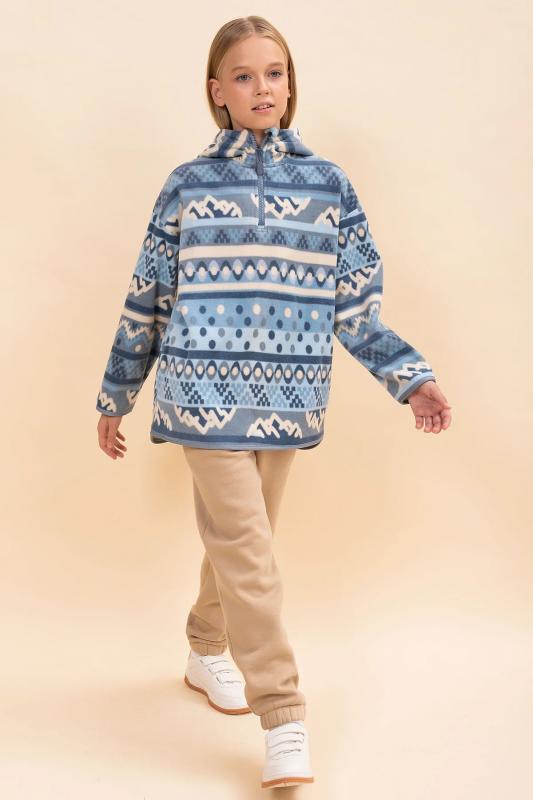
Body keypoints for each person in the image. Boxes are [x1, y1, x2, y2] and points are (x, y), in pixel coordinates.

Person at [95, 15, 452, 789]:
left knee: (241, 546)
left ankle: (204, 645)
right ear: (217, 91)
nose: (263, 87)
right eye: (245, 75)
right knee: (249, 553)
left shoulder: (328, 187)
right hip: (199, 392)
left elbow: (354, 305)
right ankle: (283, 716)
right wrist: (116, 394)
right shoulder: (187, 185)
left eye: (275, 72)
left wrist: (409, 377)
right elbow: (149, 295)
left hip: (289, 401)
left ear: (290, 85)